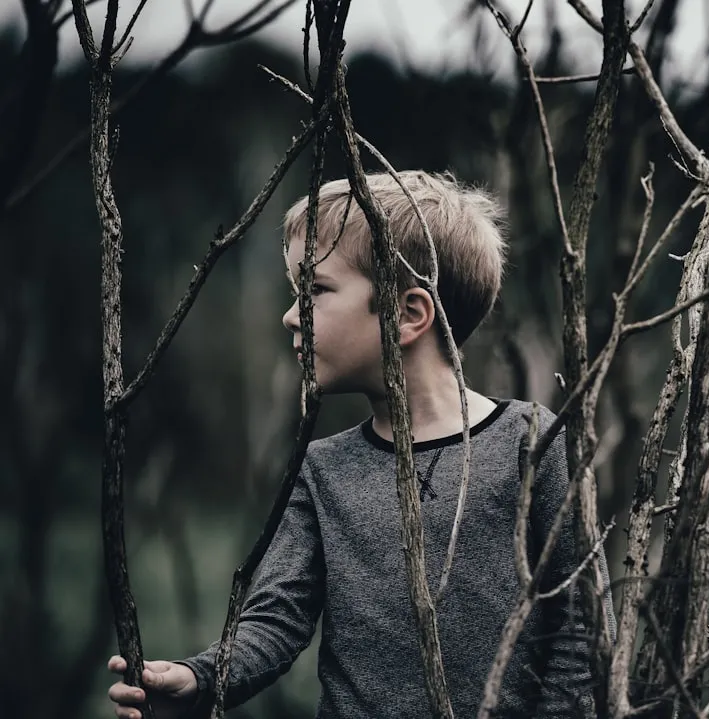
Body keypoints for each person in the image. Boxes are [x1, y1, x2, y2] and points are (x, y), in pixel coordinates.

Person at [106, 171, 616, 718]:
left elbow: (580, 631)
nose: (289, 315)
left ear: (408, 314)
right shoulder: (323, 470)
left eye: (315, 291)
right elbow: (276, 619)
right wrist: (199, 677)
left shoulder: (534, 444)